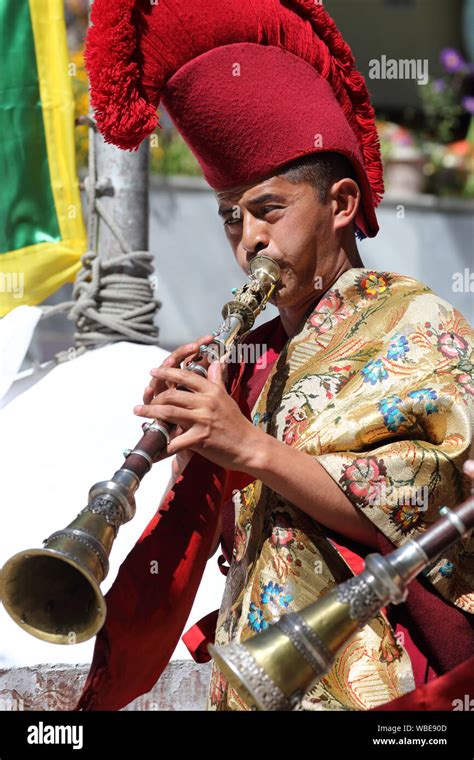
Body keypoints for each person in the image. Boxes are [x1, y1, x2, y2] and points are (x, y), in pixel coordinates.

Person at [75, 0, 473, 711]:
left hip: (379, 688)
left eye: (268, 209)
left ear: (343, 203)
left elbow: (426, 505)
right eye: (231, 216)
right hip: (253, 674)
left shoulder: (418, 322)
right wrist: (197, 456)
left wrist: (247, 445)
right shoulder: (253, 356)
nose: (248, 239)